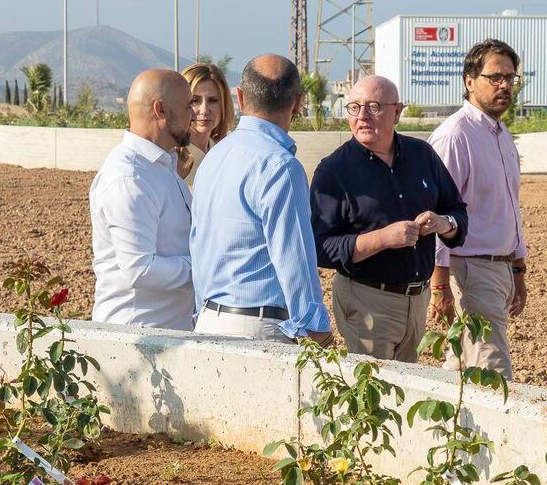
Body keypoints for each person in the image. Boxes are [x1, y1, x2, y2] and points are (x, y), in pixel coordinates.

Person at [310, 75, 468, 362]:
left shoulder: (423, 156)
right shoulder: (334, 171)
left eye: (374, 106)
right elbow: (320, 246)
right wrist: (382, 239)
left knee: (404, 393)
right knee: (375, 395)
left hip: (417, 301)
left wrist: (444, 224)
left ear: (397, 111)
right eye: (354, 108)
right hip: (367, 301)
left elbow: (458, 212)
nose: (363, 116)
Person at [190, 54, 331, 344]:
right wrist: (316, 330)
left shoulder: (214, 156)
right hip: (260, 327)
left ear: (240, 97)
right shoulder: (280, 165)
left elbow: (199, 245)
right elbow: (294, 259)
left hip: (208, 319)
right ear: (298, 103)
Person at [429, 39, 528, 381]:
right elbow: (437, 213)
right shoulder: (456, 135)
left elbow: (509, 208)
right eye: (495, 77)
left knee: (462, 372)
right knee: (493, 375)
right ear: (469, 81)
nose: (504, 85)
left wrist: (518, 269)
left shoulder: (500, 133)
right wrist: (439, 284)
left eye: (511, 78)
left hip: (498, 270)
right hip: (470, 270)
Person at [89, 69, 196, 330]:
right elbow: (141, 268)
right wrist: (205, 266)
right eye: (188, 106)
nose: (194, 115)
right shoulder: (129, 178)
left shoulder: (161, 165)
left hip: (163, 335)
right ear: (160, 110)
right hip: (138, 340)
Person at [177, 62, 234, 185]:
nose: (204, 110)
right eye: (195, 101)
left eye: (213, 101)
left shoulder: (226, 155)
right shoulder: (172, 159)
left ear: (224, 105)